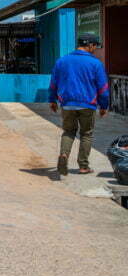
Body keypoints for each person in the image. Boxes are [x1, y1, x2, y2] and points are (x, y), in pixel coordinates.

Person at [48, 33, 109, 175]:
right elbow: (103, 89)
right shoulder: (96, 63)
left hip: (67, 103)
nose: (95, 49)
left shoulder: (62, 61)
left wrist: (52, 100)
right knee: (86, 134)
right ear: (90, 45)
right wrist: (104, 106)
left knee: (68, 131)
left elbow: (53, 84)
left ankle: (64, 155)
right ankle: (83, 166)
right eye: (95, 46)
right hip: (87, 104)